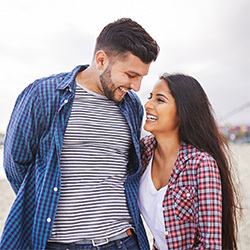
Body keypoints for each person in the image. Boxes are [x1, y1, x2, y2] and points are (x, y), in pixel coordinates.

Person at [0, 18, 159, 250]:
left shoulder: (131, 106)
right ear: (101, 60)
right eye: (130, 75)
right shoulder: (44, 95)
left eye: (142, 77)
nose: (136, 86)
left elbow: (129, 169)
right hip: (60, 244)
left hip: (123, 241)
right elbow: (16, 163)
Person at [138, 73, 240, 249]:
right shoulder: (144, 151)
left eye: (160, 100)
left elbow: (210, 245)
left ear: (183, 111)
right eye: (150, 97)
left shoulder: (201, 164)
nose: (147, 105)